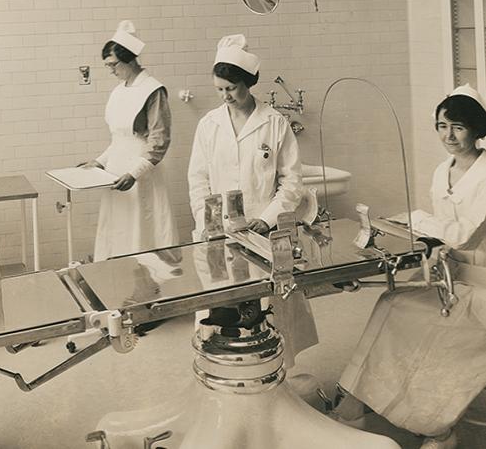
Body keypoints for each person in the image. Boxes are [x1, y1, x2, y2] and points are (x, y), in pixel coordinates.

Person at [332, 84, 486, 449]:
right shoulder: (440, 171)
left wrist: (414, 219)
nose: (448, 136)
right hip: (449, 272)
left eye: (458, 127)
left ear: (477, 129)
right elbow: (440, 234)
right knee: (392, 304)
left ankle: (438, 428)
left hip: (481, 279)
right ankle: (358, 396)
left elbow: (464, 235)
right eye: (441, 126)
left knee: (436, 332)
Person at [187, 34, 316, 368]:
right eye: (219, 89)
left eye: (231, 88)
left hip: (262, 232)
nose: (225, 96)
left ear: (248, 83)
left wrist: (268, 218)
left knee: (271, 313)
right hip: (218, 232)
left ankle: (277, 373)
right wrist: (206, 221)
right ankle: (224, 373)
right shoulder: (209, 125)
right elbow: (197, 178)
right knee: (221, 311)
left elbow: (292, 181)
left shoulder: (274, 124)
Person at [83, 20, 178, 262]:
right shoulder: (118, 91)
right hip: (116, 175)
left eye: (114, 64)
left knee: (142, 236)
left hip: (140, 176)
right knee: (117, 236)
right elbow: (119, 139)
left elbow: (159, 142)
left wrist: (134, 174)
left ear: (129, 59)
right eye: (108, 66)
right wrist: (98, 162)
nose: (111, 70)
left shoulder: (153, 90)